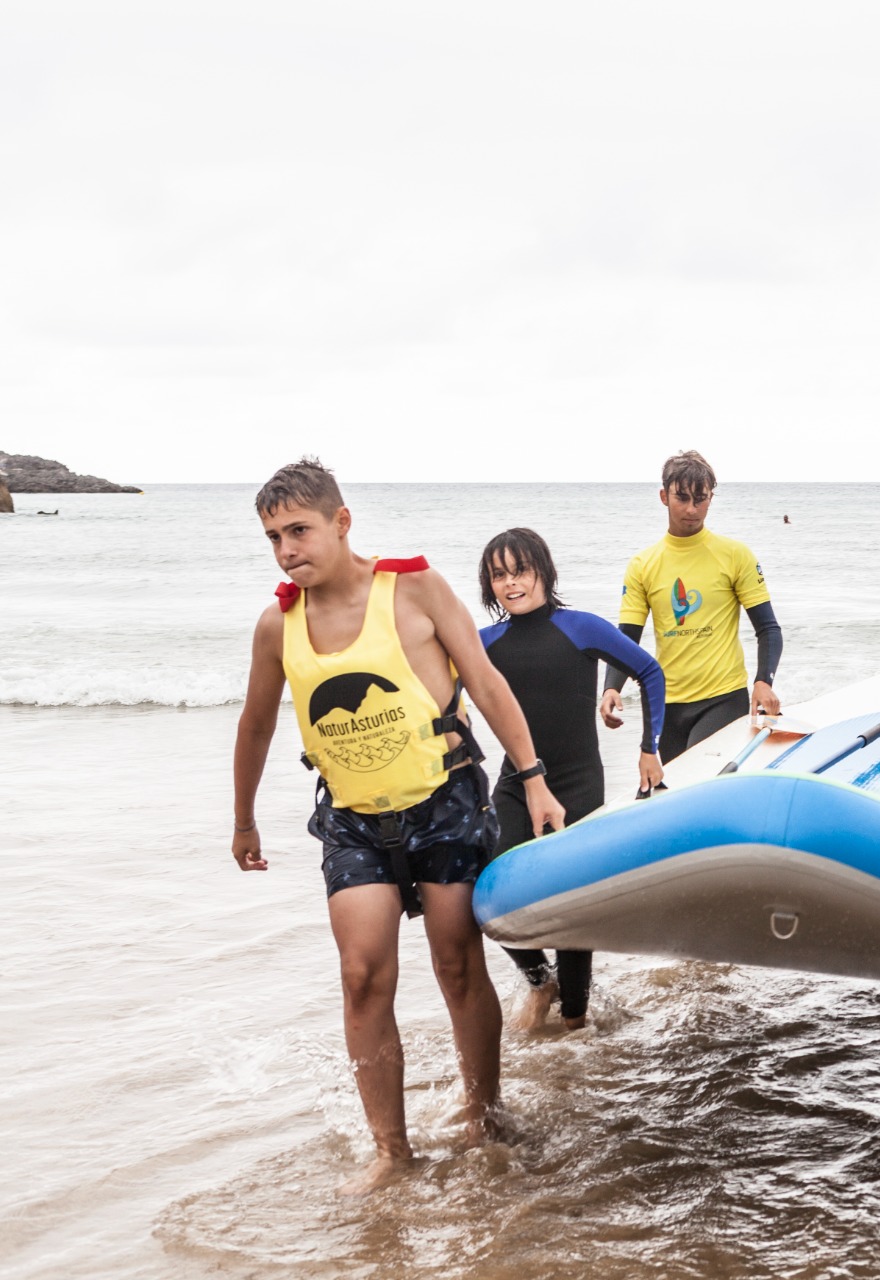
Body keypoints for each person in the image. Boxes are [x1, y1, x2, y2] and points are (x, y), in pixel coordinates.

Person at [230, 458, 565, 1195]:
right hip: (353, 821)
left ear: (341, 522)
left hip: (445, 804)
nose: (286, 550)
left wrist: (534, 777)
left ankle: (483, 1114)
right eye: (274, 538)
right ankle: (391, 1151)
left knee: (456, 962)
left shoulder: (414, 589)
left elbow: (486, 682)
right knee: (361, 975)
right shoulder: (277, 625)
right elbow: (255, 724)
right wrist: (244, 819)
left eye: (299, 531)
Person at [477, 528, 667, 1032]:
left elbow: (649, 672)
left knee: (570, 904)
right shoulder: (485, 643)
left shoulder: (580, 627)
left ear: (544, 571)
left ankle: (576, 1023)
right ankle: (541, 981)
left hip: (579, 782)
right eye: (499, 575)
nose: (511, 583)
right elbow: (440, 694)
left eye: (520, 570)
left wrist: (649, 748)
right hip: (516, 783)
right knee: (486, 892)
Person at [599, 451, 784, 762]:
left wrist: (763, 681)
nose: (691, 509)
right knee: (676, 785)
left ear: (711, 498)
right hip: (664, 703)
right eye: (682, 498)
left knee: (702, 775)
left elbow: (768, 628)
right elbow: (627, 636)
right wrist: (611, 687)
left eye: (701, 499)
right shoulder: (643, 564)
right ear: (664, 497)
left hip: (723, 698)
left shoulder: (735, 555)